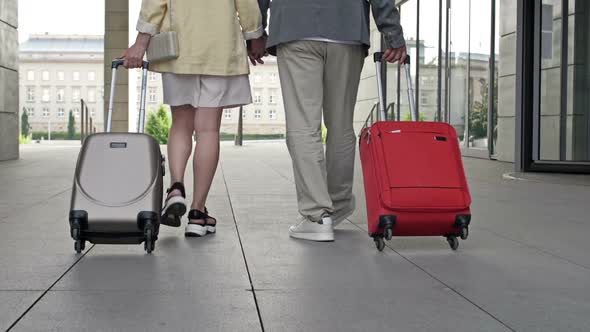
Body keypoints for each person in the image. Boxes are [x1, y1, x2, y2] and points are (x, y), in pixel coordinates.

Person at [251, 0, 407, 242]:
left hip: (295, 26)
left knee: (303, 125)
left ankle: (317, 215)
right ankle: (338, 203)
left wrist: (255, 32)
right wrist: (393, 33)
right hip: (346, 27)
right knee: (342, 124)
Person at [122, 0, 266, 237]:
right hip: (220, 48)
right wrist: (254, 35)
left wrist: (141, 42)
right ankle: (197, 214)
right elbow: (247, 4)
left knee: (180, 124)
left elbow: (154, 3)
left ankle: (175, 188)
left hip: (177, 48)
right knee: (208, 130)